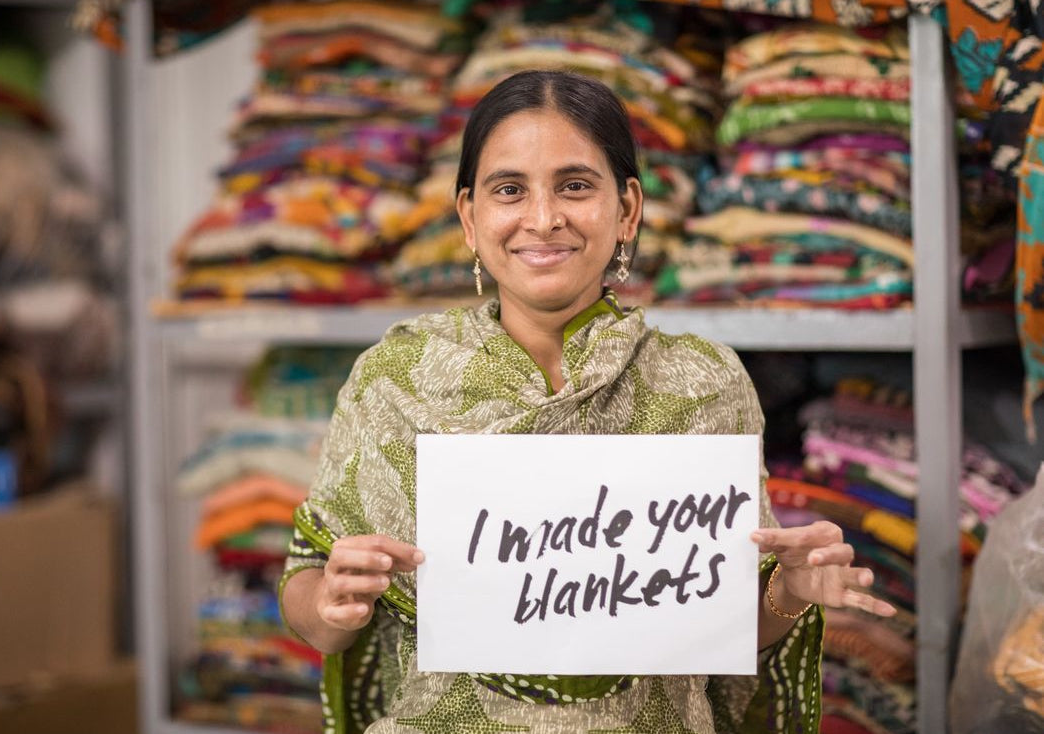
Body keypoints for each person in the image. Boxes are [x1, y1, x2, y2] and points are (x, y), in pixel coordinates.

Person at [280, 69, 896, 734]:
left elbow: (722, 632)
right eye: (509, 190)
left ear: (628, 208)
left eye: (575, 186)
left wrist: (791, 591)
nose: (542, 220)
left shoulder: (701, 383)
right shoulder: (396, 379)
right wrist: (334, 603)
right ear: (469, 217)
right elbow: (306, 592)